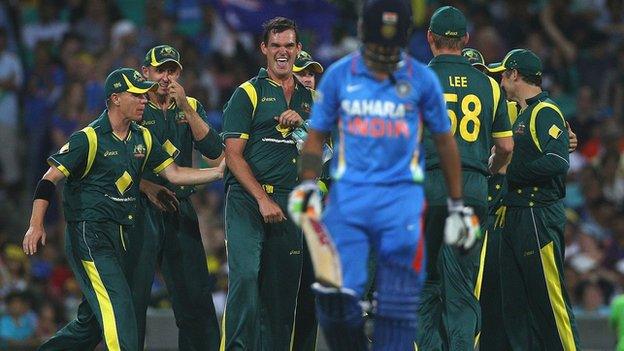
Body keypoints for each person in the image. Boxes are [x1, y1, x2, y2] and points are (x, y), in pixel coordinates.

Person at [288, 1, 479, 350]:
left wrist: (457, 206)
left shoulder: (422, 79)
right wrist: (307, 186)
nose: (385, 52)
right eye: (379, 43)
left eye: (391, 44)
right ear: (363, 33)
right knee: (335, 303)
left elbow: (446, 143)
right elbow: (315, 139)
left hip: (401, 205)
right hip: (350, 202)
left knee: (398, 310)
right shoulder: (339, 76)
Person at [22, 67, 224, 351]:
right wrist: (36, 224)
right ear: (116, 98)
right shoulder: (89, 138)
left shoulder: (142, 137)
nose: (144, 100)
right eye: (137, 94)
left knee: (90, 324)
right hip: (91, 237)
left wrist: (218, 172)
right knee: (121, 311)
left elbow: (175, 174)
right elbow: (48, 180)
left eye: (144, 94)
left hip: (123, 237)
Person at [461, 47, 579, 350]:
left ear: (513, 75)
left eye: (498, 75)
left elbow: (556, 158)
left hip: (533, 213)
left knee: (549, 302)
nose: (497, 82)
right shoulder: (519, 112)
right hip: (509, 214)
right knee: (513, 306)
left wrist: (506, 174)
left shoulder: (537, 111)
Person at [416, 7, 514, 351]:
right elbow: (505, 145)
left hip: (429, 187)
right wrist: (489, 166)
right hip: (472, 188)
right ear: (466, 41)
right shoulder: (489, 84)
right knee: (462, 286)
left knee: (425, 284)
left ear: (430, 37)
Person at [220, 17, 314, 350]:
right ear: (264, 49)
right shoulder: (248, 93)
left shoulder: (307, 101)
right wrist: (262, 199)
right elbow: (232, 156)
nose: (283, 52)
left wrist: (303, 127)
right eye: (275, 45)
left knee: (282, 294)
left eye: (289, 45)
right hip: (248, 201)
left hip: (291, 202)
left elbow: (319, 159)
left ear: (298, 49)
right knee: (245, 278)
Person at [129, 44, 223, 351]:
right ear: (146, 73)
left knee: (195, 297)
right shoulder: (135, 106)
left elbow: (213, 152)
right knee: (133, 297)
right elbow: (116, 160)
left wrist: (187, 108)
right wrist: (145, 186)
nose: (167, 77)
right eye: (160, 70)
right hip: (138, 209)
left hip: (178, 208)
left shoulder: (190, 105)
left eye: (172, 70)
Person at [292, 49, 324, 351]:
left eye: (311, 74)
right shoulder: (276, 111)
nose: (308, 79)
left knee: (310, 292)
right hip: (285, 210)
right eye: (302, 73)